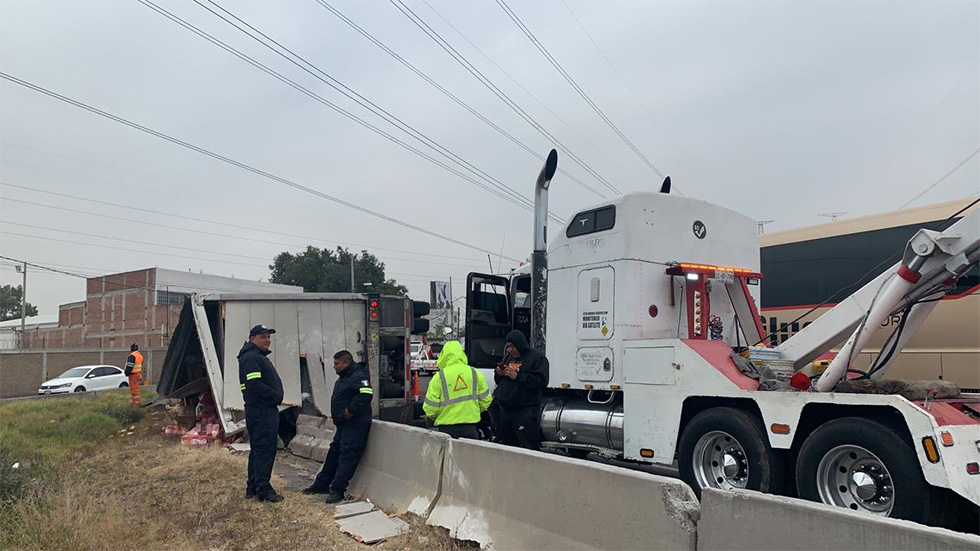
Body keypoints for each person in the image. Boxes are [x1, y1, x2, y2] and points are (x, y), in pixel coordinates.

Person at [303, 350, 373, 504]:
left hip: (355, 424)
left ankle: (337, 490)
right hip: (343, 424)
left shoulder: (359, 376)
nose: (334, 367)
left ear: (346, 363)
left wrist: (349, 412)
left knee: (347, 456)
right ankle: (321, 484)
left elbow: (366, 394)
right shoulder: (344, 377)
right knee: (334, 453)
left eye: (337, 363)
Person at [239, 324, 284, 503]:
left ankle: (253, 487)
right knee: (265, 450)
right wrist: (275, 396)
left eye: (268, 337)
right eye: (263, 337)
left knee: (258, 450)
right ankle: (264, 489)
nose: (267, 340)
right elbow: (254, 384)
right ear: (252, 339)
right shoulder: (251, 357)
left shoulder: (255, 356)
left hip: (260, 409)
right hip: (262, 410)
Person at [492, 330, 549, 450]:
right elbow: (498, 379)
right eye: (508, 347)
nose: (509, 350)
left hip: (525, 411)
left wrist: (518, 376)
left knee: (528, 448)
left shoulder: (537, 358)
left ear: (520, 344)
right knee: (508, 448)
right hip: (506, 411)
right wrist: (498, 372)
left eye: (512, 346)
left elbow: (541, 381)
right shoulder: (509, 357)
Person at [423, 341, 491, 439]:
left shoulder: (439, 377)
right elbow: (486, 400)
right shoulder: (474, 373)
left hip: (446, 429)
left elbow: (430, 408)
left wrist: (441, 415)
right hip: (470, 427)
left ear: (444, 355)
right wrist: (473, 410)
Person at [124, 343, 143, 407]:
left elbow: (130, 366)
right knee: (135, 388)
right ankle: (133, 403)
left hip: (133, 375)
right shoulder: (139, 356)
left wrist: (126, 372)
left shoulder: (132, 356)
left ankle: (136, 403)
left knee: (134, 389)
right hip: (138, 374)